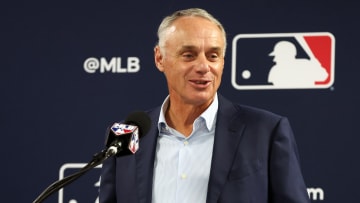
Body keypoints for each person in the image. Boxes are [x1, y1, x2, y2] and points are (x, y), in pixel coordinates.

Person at [99, 8, 310, 203]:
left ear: (223, 62)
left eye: (213, 56)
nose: (203, 66)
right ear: (159, 58)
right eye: (188, 55)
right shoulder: (126, 135)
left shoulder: (266, 132)